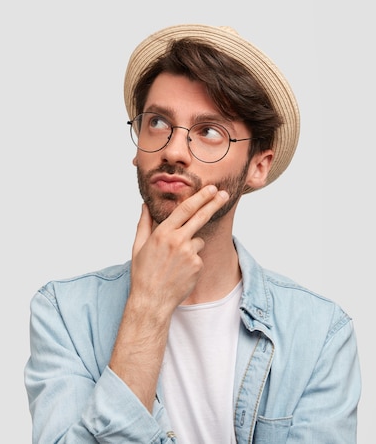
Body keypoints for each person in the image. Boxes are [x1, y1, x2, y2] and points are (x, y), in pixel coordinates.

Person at [24, 24, 361, 443]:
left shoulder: (320, 334)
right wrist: (147, 308)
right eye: (158, 122)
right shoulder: (65, 315)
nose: (174, 150)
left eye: (209, 131)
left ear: (259, 165)